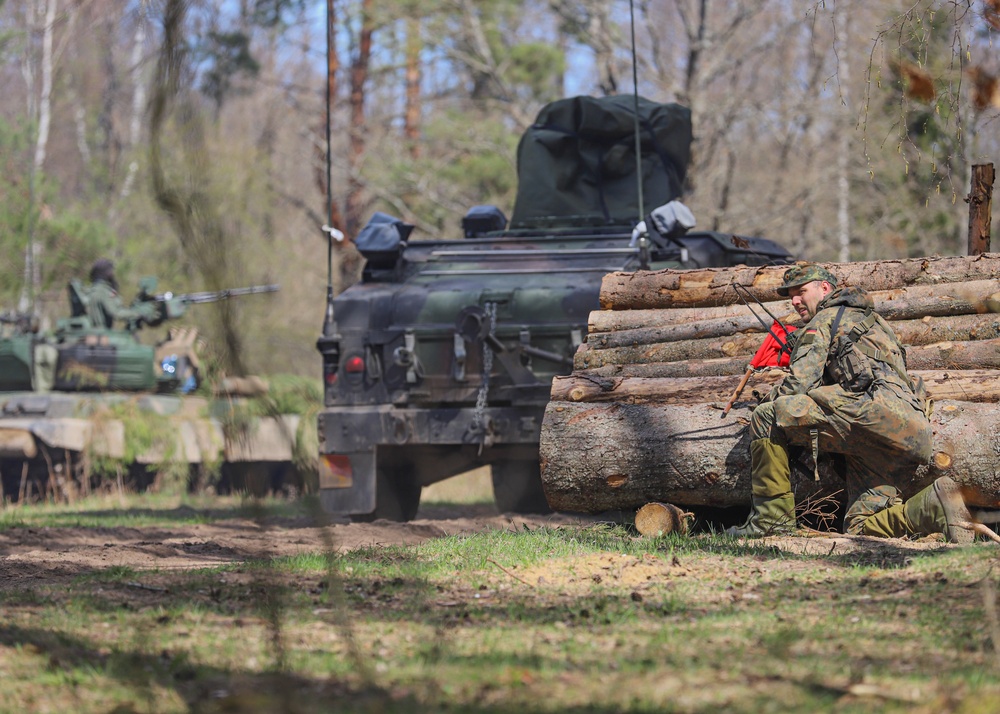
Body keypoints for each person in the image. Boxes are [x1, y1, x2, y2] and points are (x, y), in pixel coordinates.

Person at [728, 263, 975, 543]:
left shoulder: (823, 321)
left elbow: (798, 385)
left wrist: (767, 400)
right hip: (911, 431)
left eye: (801, 291)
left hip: (868, 415)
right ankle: (933, 506)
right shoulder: (876, 324)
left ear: (825, 288)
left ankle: (770, 522)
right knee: (861, 526)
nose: (795, 300)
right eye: (791, 296)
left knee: (765, 416)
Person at [85, 258, 161, 329]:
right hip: (101, 335)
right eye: (110, 271)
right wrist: (139, 313)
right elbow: (117, 313)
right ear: (105, 273)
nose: (113, 274)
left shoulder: (91, 290)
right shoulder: (102, 291)